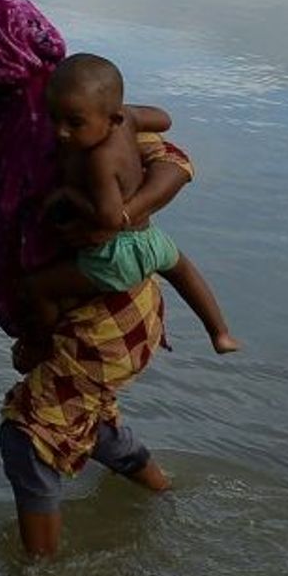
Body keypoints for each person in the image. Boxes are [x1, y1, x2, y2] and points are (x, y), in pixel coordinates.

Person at [0, 0, 195, 558]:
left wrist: (122, 215)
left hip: (109, 306)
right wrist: (32, 329)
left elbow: (174, 160)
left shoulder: (70, 107)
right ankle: (165, 497)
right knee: (83, 416)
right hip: (67, 307)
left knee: (26, 437)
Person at [28, 52, 241, 357]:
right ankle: (220, 333)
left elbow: (111, 219)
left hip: (116, 255)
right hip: (151, 240)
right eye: (54, 118)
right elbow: (164, 118)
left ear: (110, 120)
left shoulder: (99, 160)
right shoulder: (126, 118)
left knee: (38, 287)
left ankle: (46, 348)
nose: (61, 132)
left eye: (75, 123)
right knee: (182, 270)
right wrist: (124, 113)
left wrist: (69, 195)